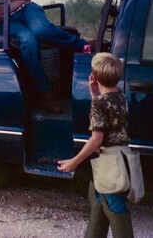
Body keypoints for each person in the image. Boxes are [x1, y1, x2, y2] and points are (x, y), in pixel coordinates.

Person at [57, 52, 134, 238]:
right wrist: (94, 94)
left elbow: (96, 139)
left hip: (109, 164)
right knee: (98, 202)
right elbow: (107, 115)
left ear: (95, 76)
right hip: (121, 158)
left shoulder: (99, 104)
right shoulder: (121, 96)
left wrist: (74, 162)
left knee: (115, 207)